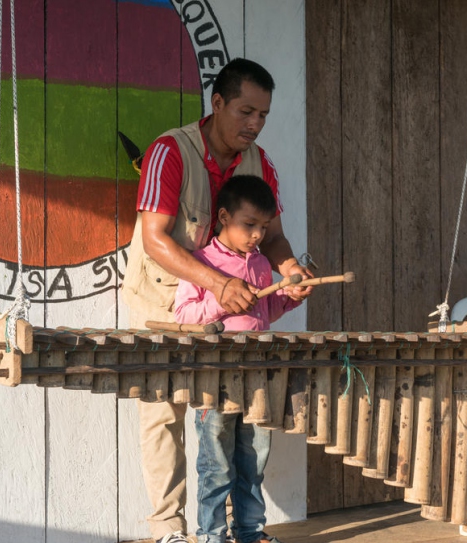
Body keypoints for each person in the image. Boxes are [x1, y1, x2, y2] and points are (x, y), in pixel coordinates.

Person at [121, 58, 313, 543]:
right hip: (164, 304)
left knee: (233, 425)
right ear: (218, 103)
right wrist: (217, 285)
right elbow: (156, 239)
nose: (255, 124)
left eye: (264, 115)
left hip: (234, 315)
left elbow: (275, 239)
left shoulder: (261, 164)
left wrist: (289, 271)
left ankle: (238, 528)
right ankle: (168, 529)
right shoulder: (169, 151)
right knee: (164, 413)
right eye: (246, 111)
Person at [174, 175, 298, 543]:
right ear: (224, 217)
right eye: (250, 225)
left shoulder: (260, 264)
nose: (258, 235)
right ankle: (211, 535)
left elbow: (263, 312)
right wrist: (219, 297)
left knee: (254, 461)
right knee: (216, 466)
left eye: (263, 226)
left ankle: (250, 532)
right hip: (215, 380)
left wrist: (291, 295)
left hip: (257, 377)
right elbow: (184, 314)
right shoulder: (202, 263)